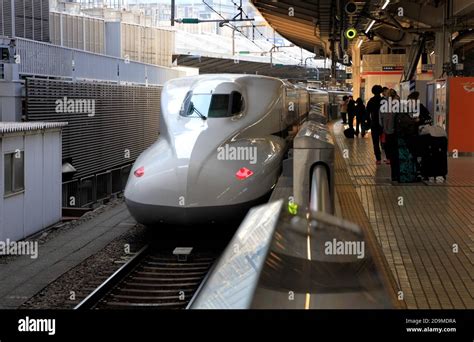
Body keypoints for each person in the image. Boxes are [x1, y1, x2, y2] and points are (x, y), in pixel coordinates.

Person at [380, 89, 399, 181]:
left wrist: (385, 127)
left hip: (387, 131)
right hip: (396, 132)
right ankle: (397, 175)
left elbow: (380, 119)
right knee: (396, 154)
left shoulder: (384, 105)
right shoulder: (398, 105)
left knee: (391, 152)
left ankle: (393, 175)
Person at [366, 85, 384, 164]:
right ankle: (388, 158)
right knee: (384, 141)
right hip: (383, 124)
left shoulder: (371, 101)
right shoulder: (384, 100)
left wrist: (369, 122)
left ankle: (378, 159)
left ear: (373, 91)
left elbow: (367, 113)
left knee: (375, 142)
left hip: (374, 124)